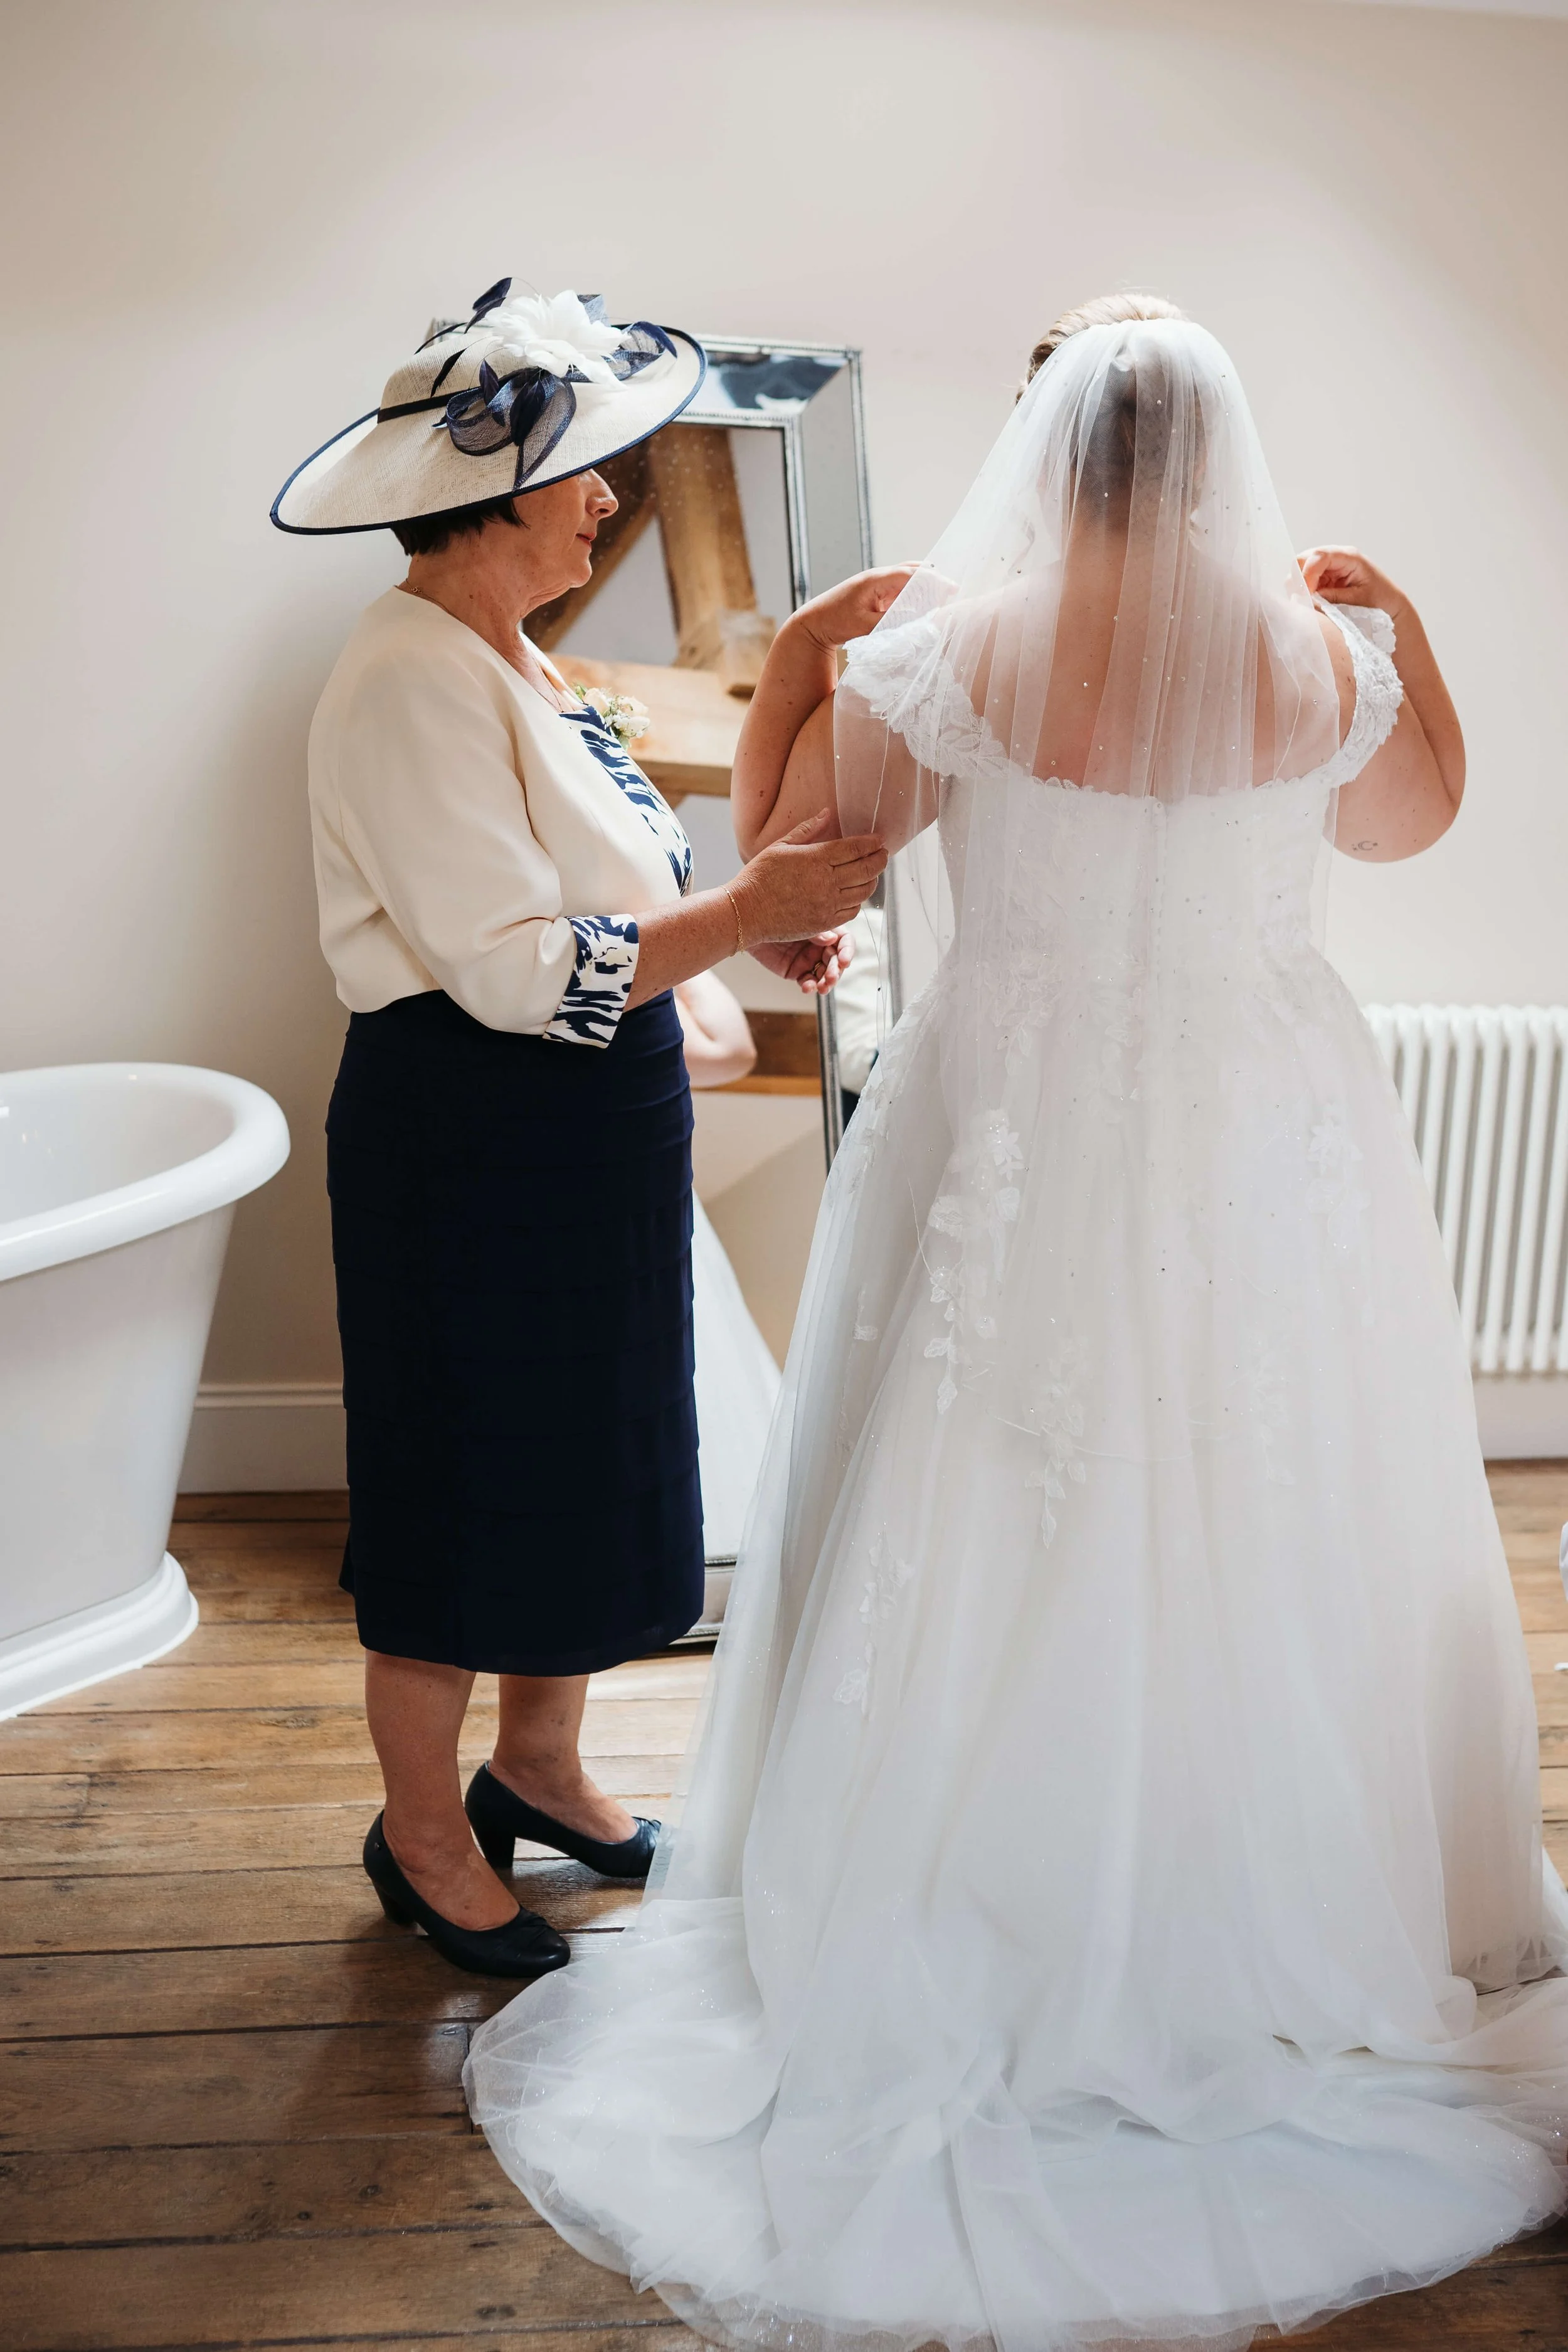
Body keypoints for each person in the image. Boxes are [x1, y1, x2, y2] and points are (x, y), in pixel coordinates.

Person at [464, 299, 1568, 2343]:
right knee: (1263, 1484)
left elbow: (818, 877)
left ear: (1052, 451)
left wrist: (802, 656)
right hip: (1257, 1116)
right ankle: (1275, 1914)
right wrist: (1400, 616)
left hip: (1023, 1113)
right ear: (1216, 450)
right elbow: (1409, 819)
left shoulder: (947, 647)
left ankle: (967, 1901)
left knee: (989, 1490)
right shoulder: (1325, 649)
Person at [271, 281, 883, 1978]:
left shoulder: (513, 654)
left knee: (595, 1461)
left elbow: (610, 897)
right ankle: (418, 1834)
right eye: (585, 471)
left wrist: (745, 925)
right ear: (487, 493)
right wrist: (752, 893)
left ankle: (537, 1768)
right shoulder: (404, 674)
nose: (610, 495)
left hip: (581, 1127)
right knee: (465, 1480)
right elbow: (514, 970)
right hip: (470, 1137)